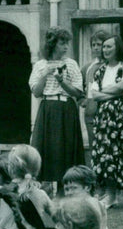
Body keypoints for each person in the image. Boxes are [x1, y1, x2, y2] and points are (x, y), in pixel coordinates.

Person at [89, 34, 123, 211]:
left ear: (118, 48)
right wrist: (115, 92)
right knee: (107, 157)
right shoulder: (99, 71)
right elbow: (95, 95)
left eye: (109, 47)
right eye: (103, 47)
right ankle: (111, 196)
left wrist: (108, 92)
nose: (105, 50)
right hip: (104, 120)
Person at [29, 27, 84, 192]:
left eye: (67, 43)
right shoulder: (40, 65)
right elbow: (36, 92)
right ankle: (42, 191)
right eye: (62, 43)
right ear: (52, 44)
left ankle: (64, 189)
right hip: (48, 109)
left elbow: (77, 92)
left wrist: (62, 82)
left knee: (66, 150)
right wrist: (46, 74)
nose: (66, 46)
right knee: (45, 149)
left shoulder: (72, 64)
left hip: (66, 109)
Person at [80, 30, 107, 150]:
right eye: (93, 45)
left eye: (99, 44)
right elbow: (78, 88)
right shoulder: (87, 67)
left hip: (108, 114)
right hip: (91, 115)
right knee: (94, 148)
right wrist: (82, 100)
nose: (96, 48)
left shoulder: (113, 66)